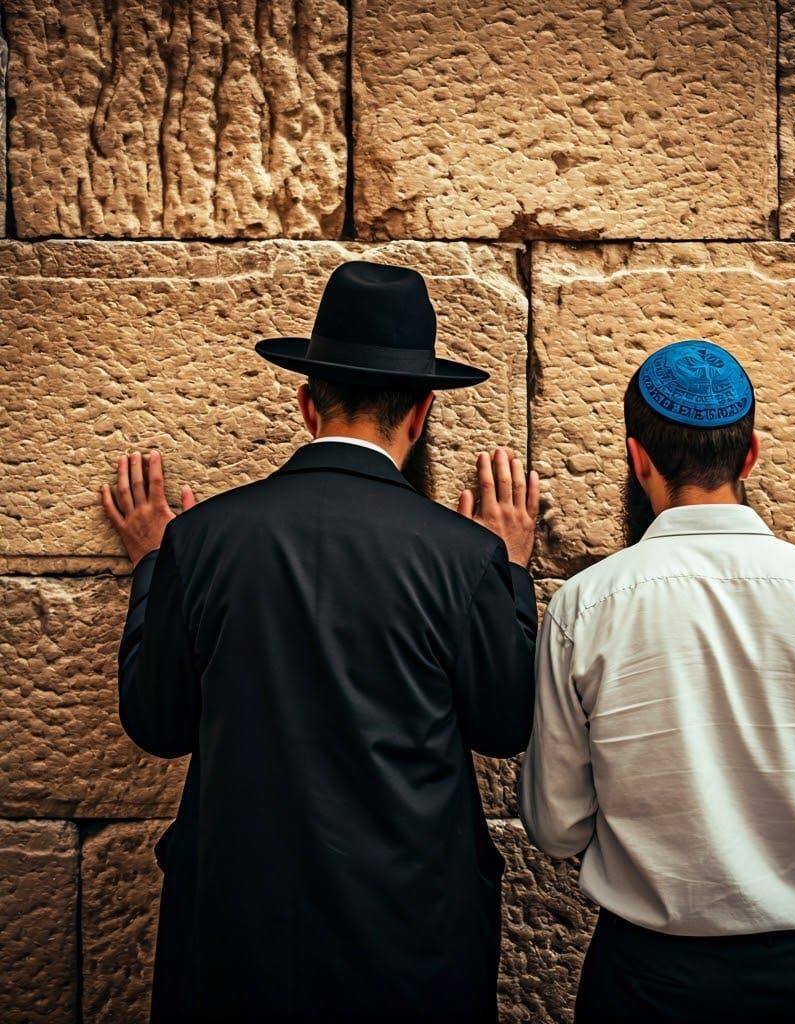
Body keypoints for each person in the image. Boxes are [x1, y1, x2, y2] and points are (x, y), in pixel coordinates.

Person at [100, 261, 541, 1023]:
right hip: (410, 953)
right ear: (422, 412)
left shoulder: (201, 540)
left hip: (236, 950)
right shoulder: (465, 557)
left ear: (307, 402)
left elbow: (156, 722)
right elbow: (505, 726)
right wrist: (508, 572)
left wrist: (152, 566)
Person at [518, 340, 795, 1024]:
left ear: (636, 457)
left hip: (645, 981)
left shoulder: (585, 607)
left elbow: (557, 827)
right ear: (751, 455)